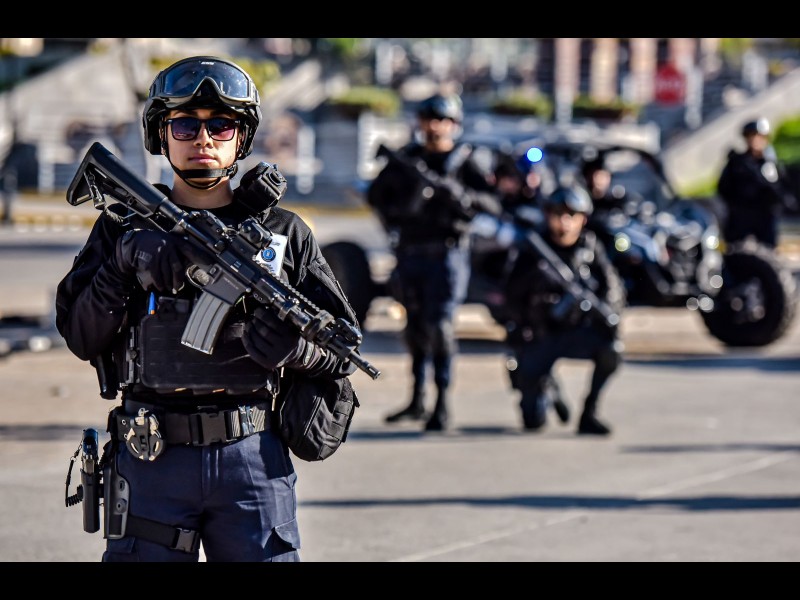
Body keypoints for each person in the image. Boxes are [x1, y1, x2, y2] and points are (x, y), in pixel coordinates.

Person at [54, 56, 359, 562]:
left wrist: (298, 351)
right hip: (151, 457)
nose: (203, 138)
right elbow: (81, 336)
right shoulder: (123, 227)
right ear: (161, 134)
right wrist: (123, 263)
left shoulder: (283, 232)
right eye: (185, 125)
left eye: (221, 125)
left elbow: (345, 349)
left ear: (242, 138)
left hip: (251, 462)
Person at [367, 92, 502, 432]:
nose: (435, 127)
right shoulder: (407, 160)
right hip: (411, 254)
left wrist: (461, 196)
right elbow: (376, 196)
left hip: (447, 255)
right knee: (414, 328)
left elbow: (493, 203)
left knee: (440, 326)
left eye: (443, 120)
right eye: (430, 119)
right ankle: (417, 399)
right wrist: (403, 208)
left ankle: (441, 402)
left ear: (454, 125)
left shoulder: (465, 160)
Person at [504, 184, 626, 436]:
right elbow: (510, 297)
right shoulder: (533, 249)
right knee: (533, 421)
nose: (564, 222)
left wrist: (604, 311)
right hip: (539, 335)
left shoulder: (589, 248)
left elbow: (613, 287)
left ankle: (589, 413)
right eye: (558, 214)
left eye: (572, 215)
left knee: (611, 349)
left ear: (583, 219)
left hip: (576, 330)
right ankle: (547, 387)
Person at [716, 117, 798, 248]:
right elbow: (723, 188)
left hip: (765, 219)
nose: (755, 140)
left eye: (759, 136)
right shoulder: (737, 163)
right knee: (737, 252)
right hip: (741, 219)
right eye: (751, 136)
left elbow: (781, 189)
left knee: (767, 253)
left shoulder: (771, 164)